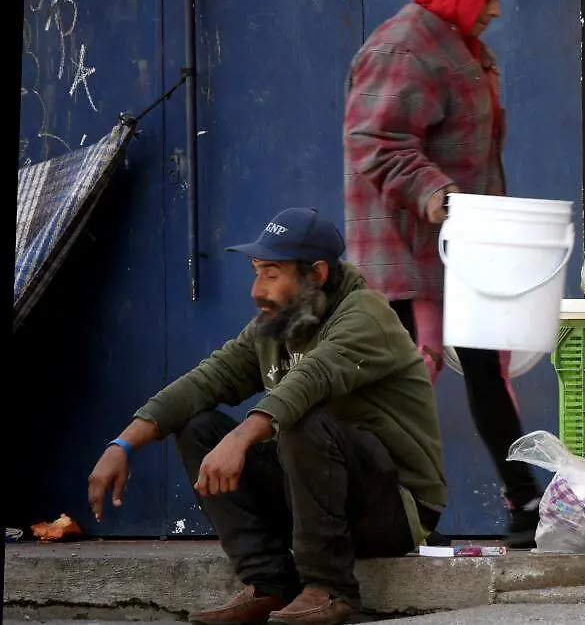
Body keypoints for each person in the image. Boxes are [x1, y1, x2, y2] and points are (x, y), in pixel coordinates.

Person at [86, 207, 446, 625]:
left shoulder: (367, 315)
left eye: (272, 273)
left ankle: (330, 589)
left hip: (396, 509)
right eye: (256, 271)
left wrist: (241, 438)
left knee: (300, 419)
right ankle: (269, 583)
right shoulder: (277, 323)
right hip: (319, 497)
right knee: (198, 426)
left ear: (318, 274)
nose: (258, 289)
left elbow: (311, 378)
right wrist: (123, 443)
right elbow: (206, 380)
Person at [341, 0, 542, 547]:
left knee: (484, 365)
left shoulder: (459, 44)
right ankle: (390, 513)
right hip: (406, 251)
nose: (496, 10)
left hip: (459, 244)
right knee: (401, 385)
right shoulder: (404, 47)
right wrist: (440, 195)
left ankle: (525, 503)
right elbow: (375, 141)